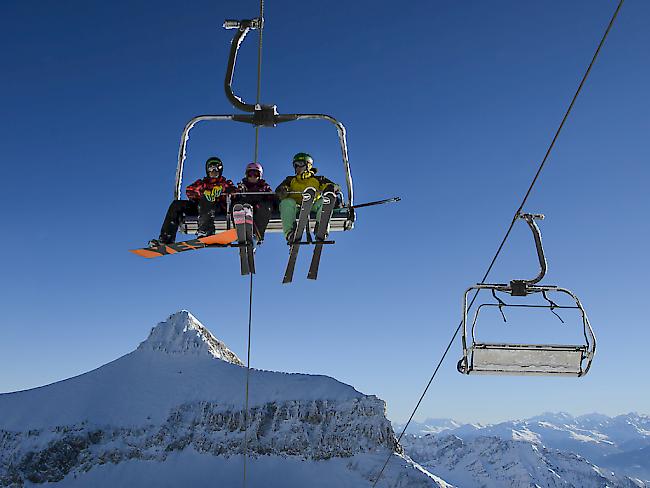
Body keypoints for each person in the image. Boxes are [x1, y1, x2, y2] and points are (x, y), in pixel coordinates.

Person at [149, 156, 235, 246]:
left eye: (217, 168)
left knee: (207, 199)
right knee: (176, 205)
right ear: (207, 170)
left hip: (217, 210)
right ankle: (166, 239)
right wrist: (203, 191)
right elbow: (189, 190)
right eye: (211, 168)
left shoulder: (225, 183)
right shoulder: (202, 183)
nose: (214, 171)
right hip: (198, 208)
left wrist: (223, 189)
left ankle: (205, 232)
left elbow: (234, 192)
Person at [275, 152, 340, 242]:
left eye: (300, 164)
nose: (297, 167)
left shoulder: (318, 179)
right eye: (295, 165)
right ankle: (290, 233)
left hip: (313, 205)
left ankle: (321, 228)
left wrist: (331, 188)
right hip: (296, 206)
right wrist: (282, 191)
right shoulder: (290, 180)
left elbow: (335, 186)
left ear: (308, 165)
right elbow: (279, 190)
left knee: (324, 201)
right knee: (287, 202)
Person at [235, 162, 273, 245]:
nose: (252, 177)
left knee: (265, 207)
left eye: (255, 174)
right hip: (246, 208)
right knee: (239, 206)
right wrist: (239, 194)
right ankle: (241, 231)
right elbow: (234, 198)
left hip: (258, 211)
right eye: (250, 174)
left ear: (259, 176)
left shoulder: (264, 188)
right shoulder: (242, 187)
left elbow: (271, 199)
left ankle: (256, 236)